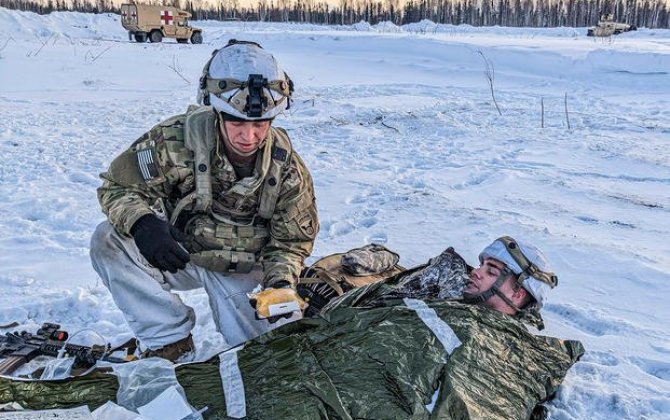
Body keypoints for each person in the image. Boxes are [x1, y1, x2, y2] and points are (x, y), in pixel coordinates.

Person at [89, 39, 319, 362]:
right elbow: (117, 187)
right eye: (237, 122)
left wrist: (279, 283)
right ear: (217, 112)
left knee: (271, 357)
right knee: (107, 240)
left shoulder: (287, 168)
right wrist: (142, 223)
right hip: (181, 252)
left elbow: (291, 241)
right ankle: (169, 339)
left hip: (243, 270)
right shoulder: (174, 140)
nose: (248, 136)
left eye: (259, 124)